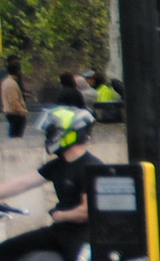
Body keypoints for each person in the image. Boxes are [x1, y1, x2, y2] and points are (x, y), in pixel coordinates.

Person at [0, 106, 101, 253]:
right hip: (57, 232)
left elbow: (86, 212)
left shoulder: (91, 167)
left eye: (50, 132)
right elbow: (22, 183)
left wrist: (60, 215)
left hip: (81, 238)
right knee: (5, 252)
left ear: (67, 134)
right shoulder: (57, 165)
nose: (48, 137)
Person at [1, 58, 24, 138]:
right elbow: (13, 100)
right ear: (17, 72)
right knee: (16, 136)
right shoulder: (12, 84)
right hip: (15, 113)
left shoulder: (6, 81)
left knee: (13, 135)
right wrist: (21, 111)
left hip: (9, 112)